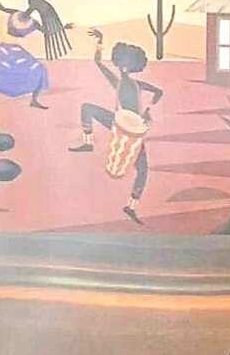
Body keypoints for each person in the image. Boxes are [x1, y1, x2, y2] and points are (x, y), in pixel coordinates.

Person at [69, 30, 163, 227]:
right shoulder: (123, 81)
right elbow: (99, 63)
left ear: (127, 65)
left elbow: (158, 92)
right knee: (143, 170)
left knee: (143, 169)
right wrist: (100, 42)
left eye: (122, 63)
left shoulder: (129, 82)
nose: (120, 67)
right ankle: (131, 205)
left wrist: (147, 112)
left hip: (132, 129)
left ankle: (131, 206)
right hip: (120, 122)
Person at [0, 0, 73, 110]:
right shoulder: (15, 13)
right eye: (32, 5)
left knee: (40, 70)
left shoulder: (34, 23)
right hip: (3, 48)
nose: (31, 7)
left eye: (35, 6)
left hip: (17, 51)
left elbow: (47, 32)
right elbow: (2, 8)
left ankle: (34, 100)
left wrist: (63, 28)